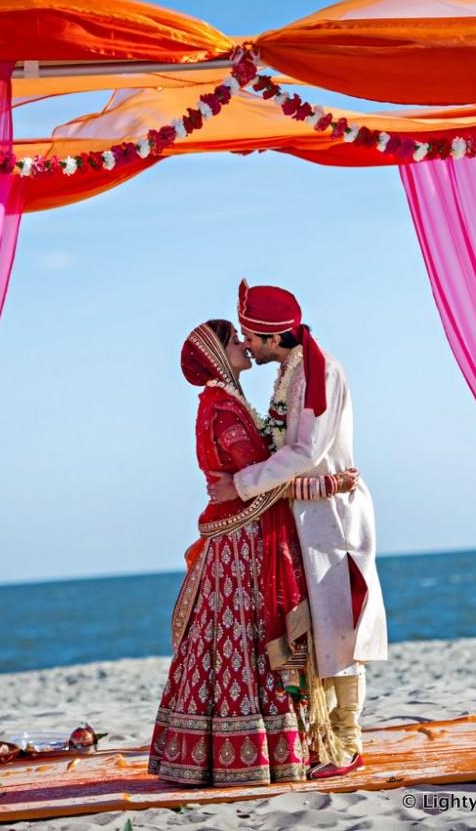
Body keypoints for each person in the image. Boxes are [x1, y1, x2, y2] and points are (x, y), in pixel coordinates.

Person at [148, 319, 358, 787]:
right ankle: (248, 753)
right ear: (217, 357)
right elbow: (257, 486)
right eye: (232, 340)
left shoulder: (228, 402)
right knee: (249, 639)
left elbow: (257, 479)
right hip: (242, 542)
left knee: (236, 640)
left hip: (242, 536)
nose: (243, 345)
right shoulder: (223, 408)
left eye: (246, 336)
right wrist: (328, 484)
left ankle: (235, 750)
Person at [208, 282, 388, 778]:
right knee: (318, 631)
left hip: (332, 518)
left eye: (250, 335)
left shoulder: (317, 373)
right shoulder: (293, 369)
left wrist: (243, 483)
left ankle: (347, 746)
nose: (246, 343)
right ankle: (325, 739)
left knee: (340, 630)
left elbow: (306, 452)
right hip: (306, 518)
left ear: (272, 336)